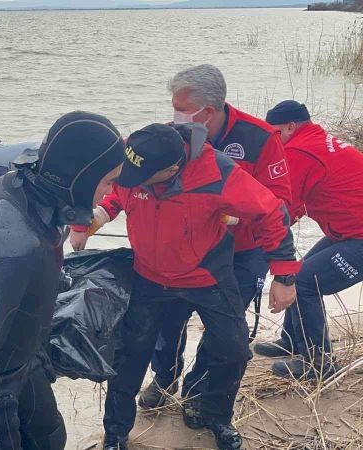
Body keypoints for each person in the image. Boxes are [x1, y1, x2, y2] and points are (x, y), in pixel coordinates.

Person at [72, 64, 294, 409]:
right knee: (165, 330)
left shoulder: (259, 138)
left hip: (243, 251)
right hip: (177, 254)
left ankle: (199, 396)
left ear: (207, 111)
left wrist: (236, 221)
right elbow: (130, 182)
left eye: (180, 106)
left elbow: (280, 205)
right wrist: (94, 216)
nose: (174, 113)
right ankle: (165, 381)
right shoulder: (168, 142)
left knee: (223, 341)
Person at [0, 111, 126, 450]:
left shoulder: (27, 191)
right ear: (81, 176)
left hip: (20, 356)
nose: (111, 190)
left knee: (50, 438)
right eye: (108, 180)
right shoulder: (12, 246)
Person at [97, 123, 299, 450]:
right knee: (128, 355)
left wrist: (285, 275)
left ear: (172, 169)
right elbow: (113, 193)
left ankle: (215, 415)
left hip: (207, 275)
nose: (128, 181)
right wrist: (88, 220)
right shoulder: (135, 159)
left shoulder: (217, 172)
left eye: (138, 179)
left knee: (233, 350)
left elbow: (271, 211)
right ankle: (116, 433)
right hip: (149, 275)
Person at [255, 101, 363, 379]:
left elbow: (284, 208)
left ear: (291, 127)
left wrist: (255, 238)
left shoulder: (298, 151)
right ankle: (292, 340)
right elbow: (297, 202)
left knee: (303, 282)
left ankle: (319, 363)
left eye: (274, 132)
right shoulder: (316, 140)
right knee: (298, 271)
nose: (271, 140)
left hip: (358, 236)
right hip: (348, 232)